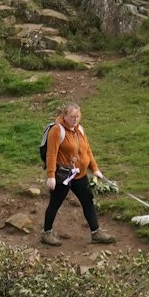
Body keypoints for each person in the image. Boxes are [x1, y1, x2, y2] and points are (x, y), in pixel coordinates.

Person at [41, 102, 117, 246]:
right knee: (55, 204)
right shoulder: (57, 131)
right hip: (63, 176)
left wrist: (95, 169)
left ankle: (96, 233)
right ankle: (46, 233)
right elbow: (51, 154)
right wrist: (50, 176)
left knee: (88, 200)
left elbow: (87, 150)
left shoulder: (80, 130)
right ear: (64, 116)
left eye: (77, 116)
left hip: (79, 174)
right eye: (72, 116)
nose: (75, 119)